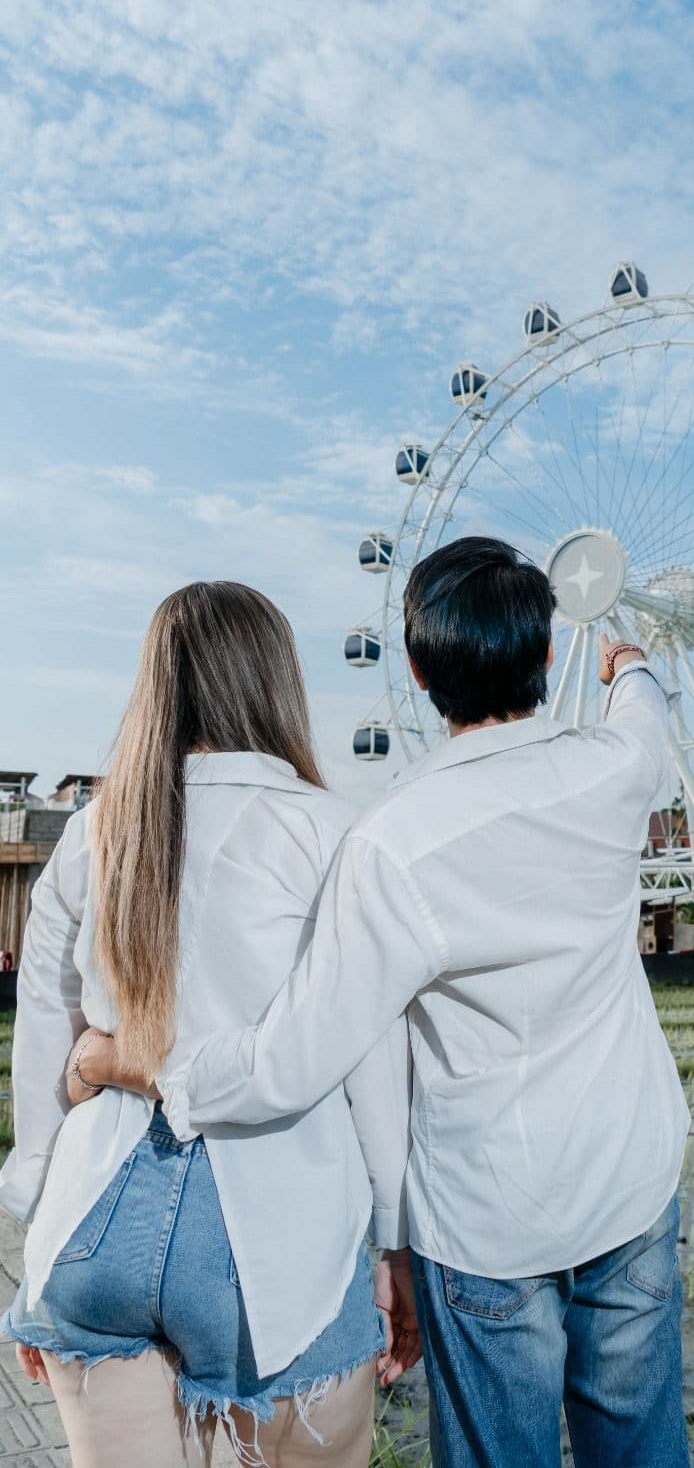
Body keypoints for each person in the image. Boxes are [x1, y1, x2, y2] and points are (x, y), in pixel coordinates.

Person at [75, 537, 693, 1468]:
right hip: (632, 1179)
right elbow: (648, 721)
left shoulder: (392, 841)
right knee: (645, 1450)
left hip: (490, 1221)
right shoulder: (613, 770)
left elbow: (290, 1061)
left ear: (414, 668)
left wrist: (133, 1061)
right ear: (549, 653)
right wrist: (632, 664)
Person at [1, 581, 419, 1468]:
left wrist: (37, 1231)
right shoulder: (333, 832)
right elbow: (370, 1058)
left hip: (95, 1218)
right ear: (274, 683)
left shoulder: (94, 832)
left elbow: (45, 1030)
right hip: (277, 1228)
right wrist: (396, 1242)